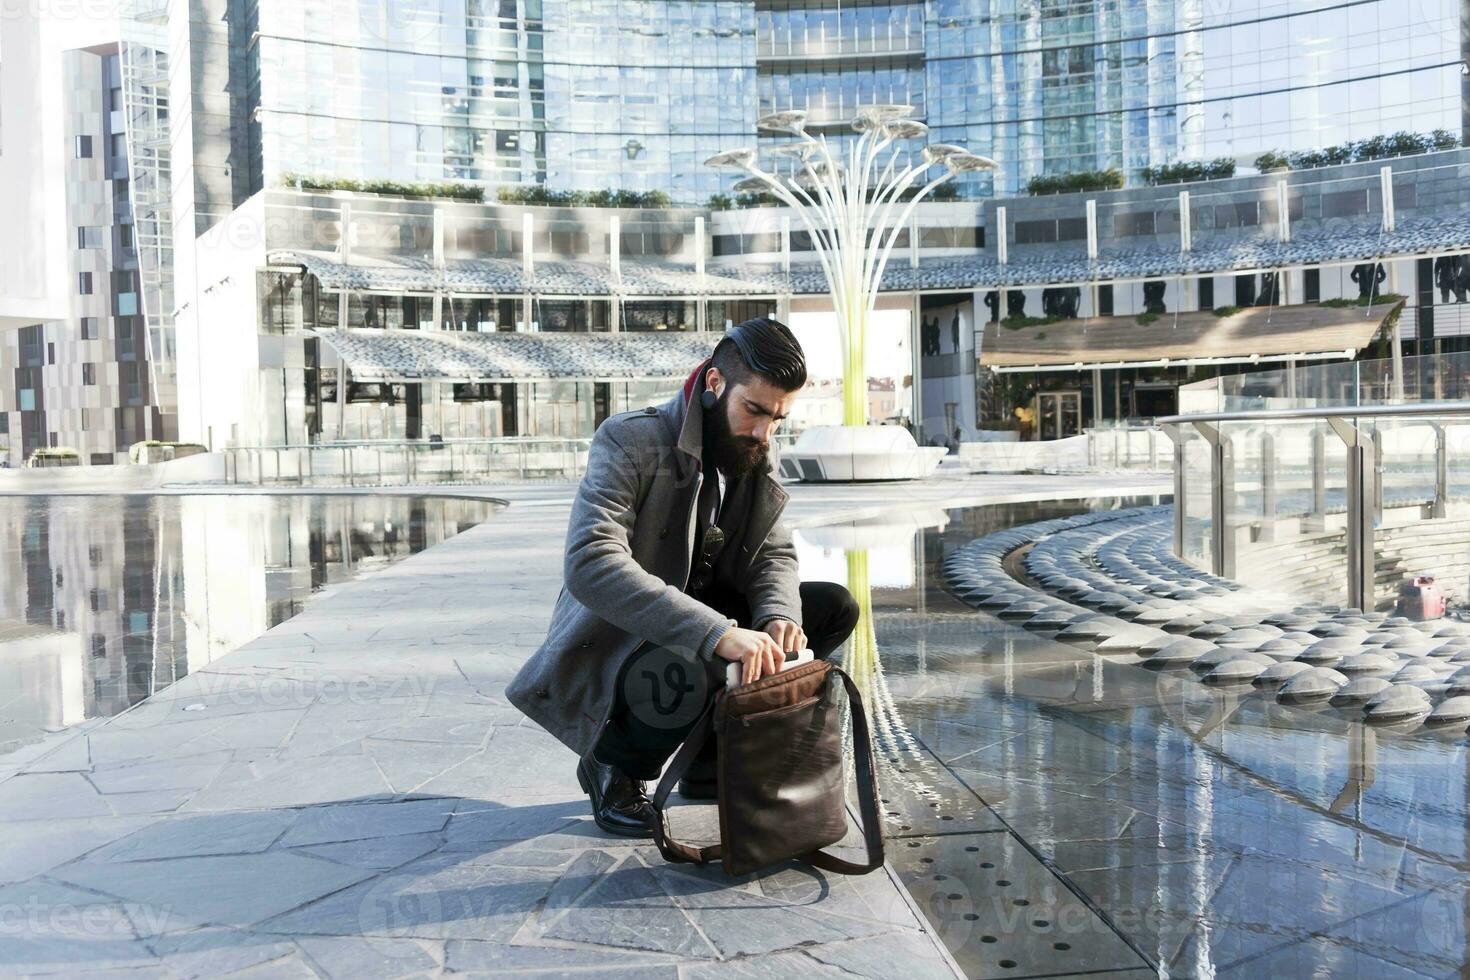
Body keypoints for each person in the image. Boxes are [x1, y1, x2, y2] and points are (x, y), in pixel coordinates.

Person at [507, 317, 859, 838]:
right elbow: (590, 561)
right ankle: (614, 765)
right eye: (756, 411)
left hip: (699, 615)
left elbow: (775, 552)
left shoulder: (752, 447)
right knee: (694, 653)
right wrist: (716, 632)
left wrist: (778, 616)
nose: (765, 432)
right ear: (715, 385)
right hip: (629, 637)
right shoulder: (632, 440)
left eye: (779, 419)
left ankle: (709, 758)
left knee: (830, 606)